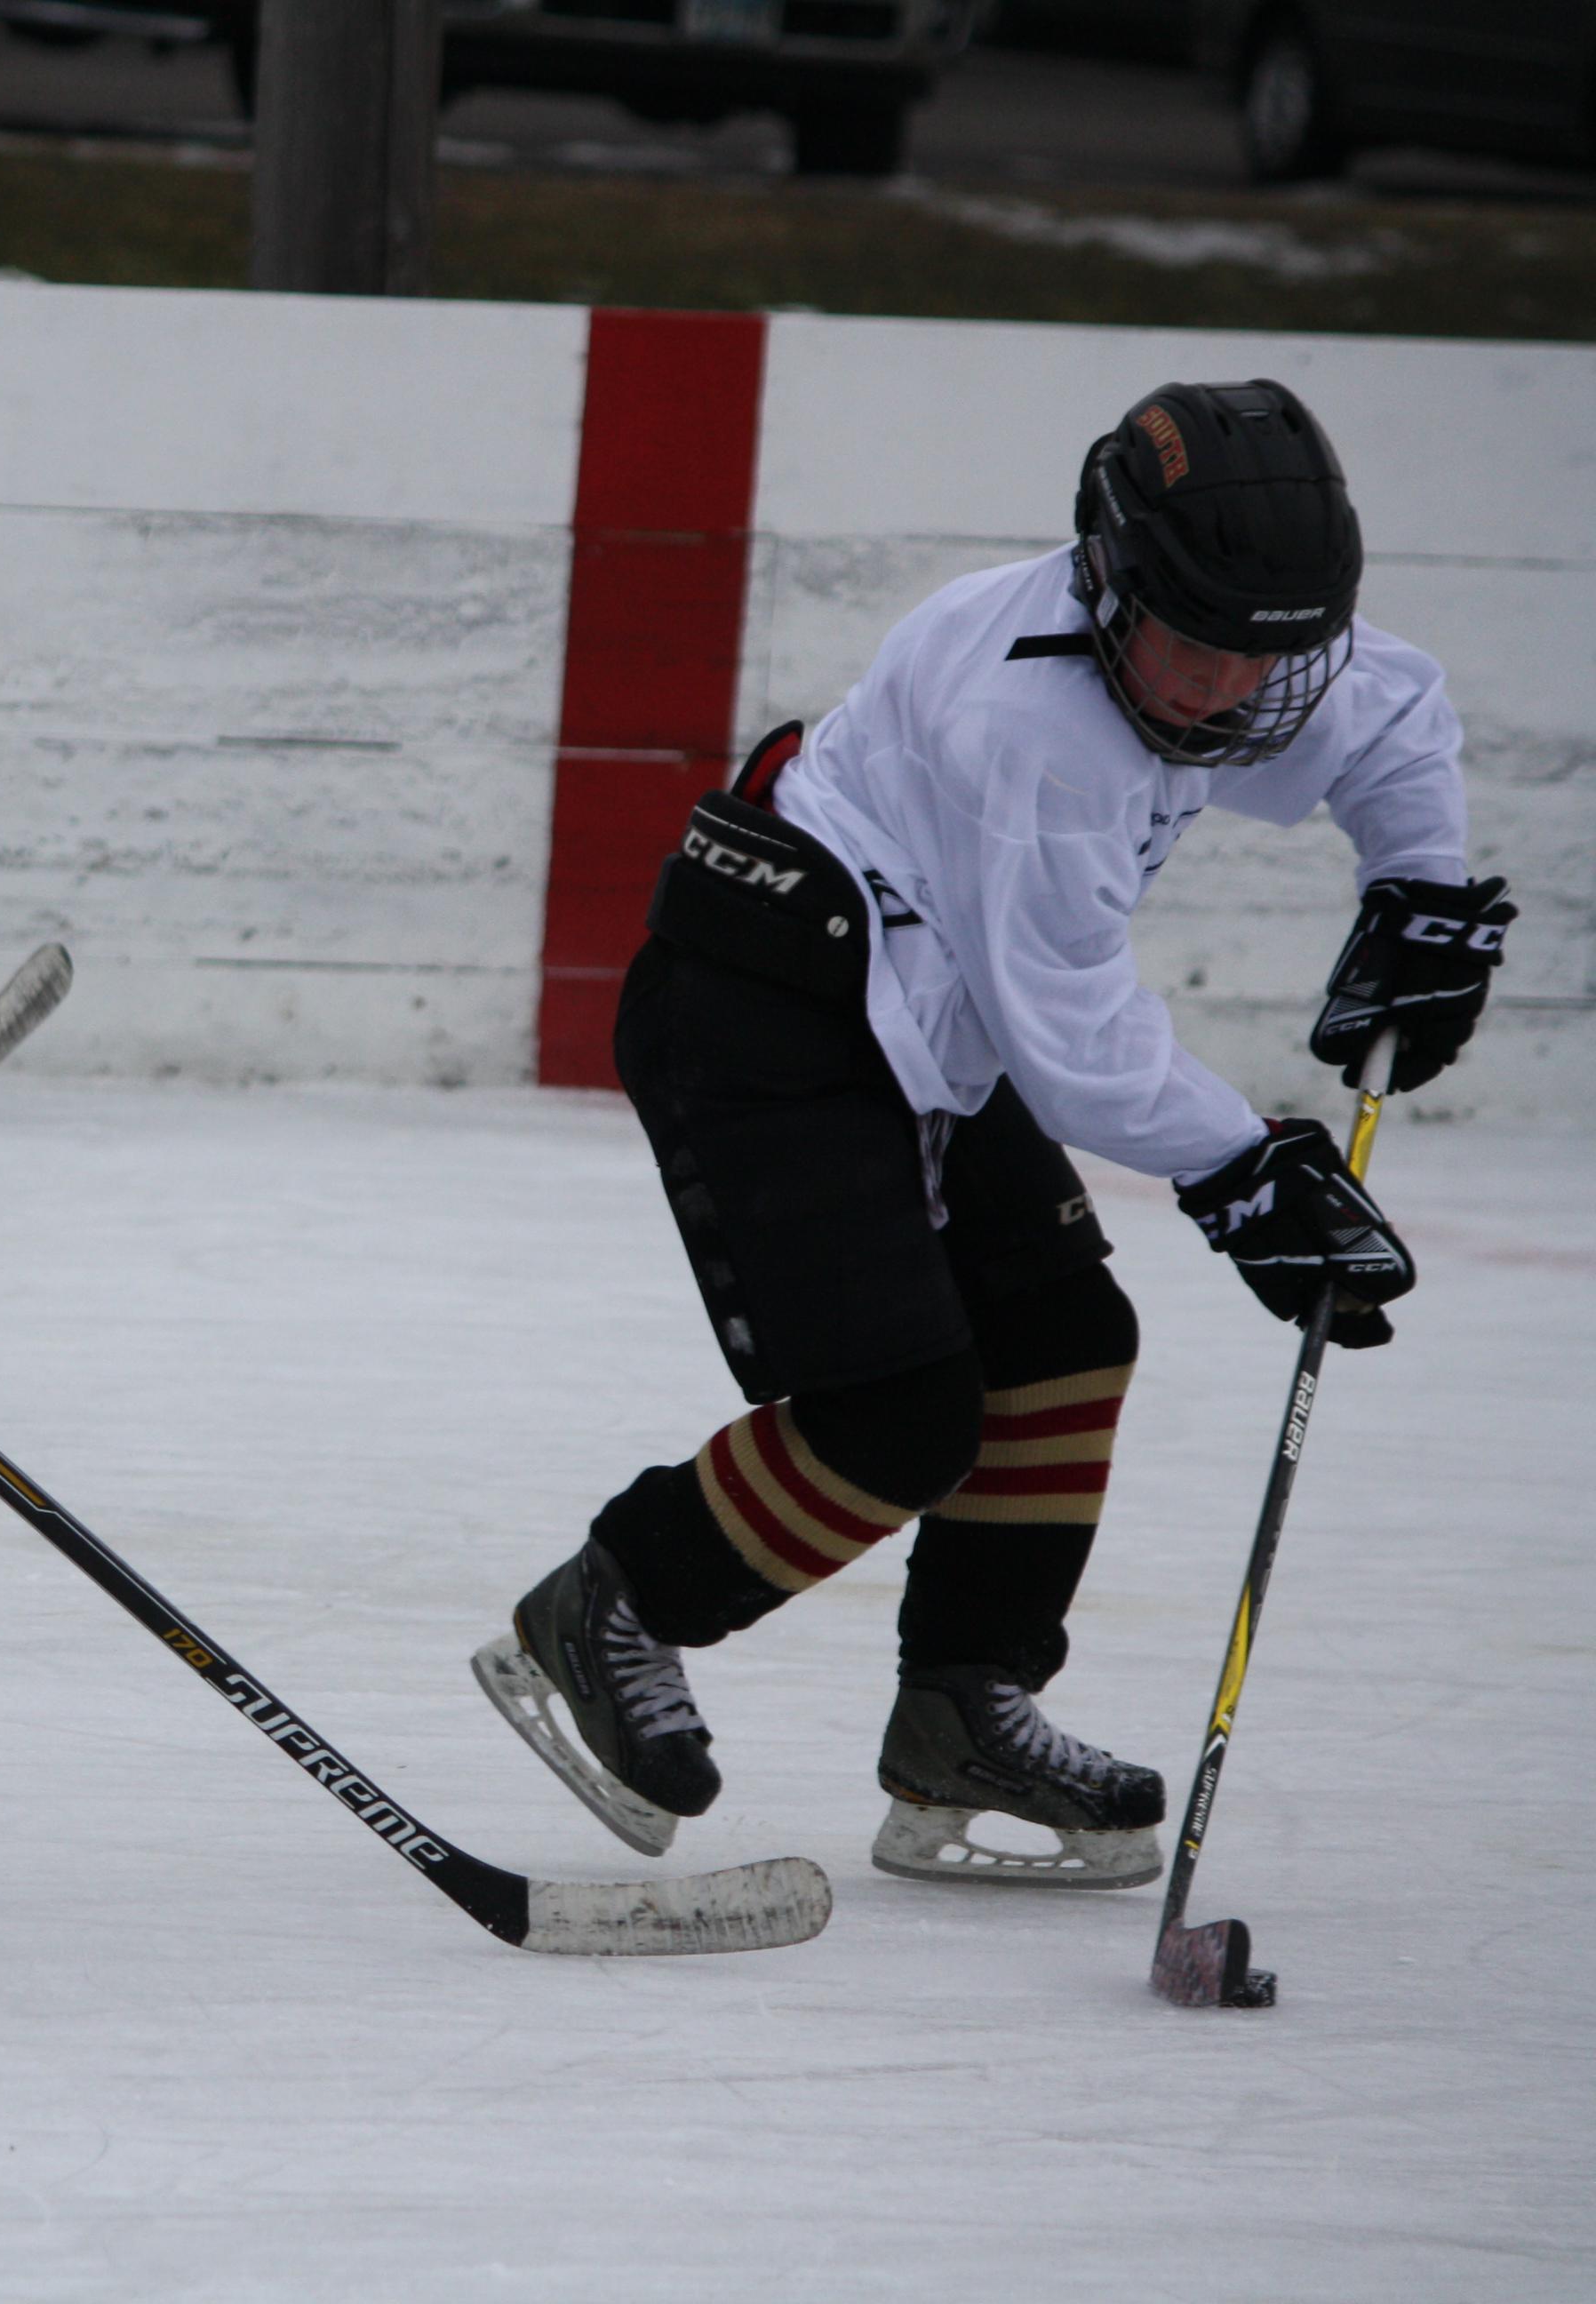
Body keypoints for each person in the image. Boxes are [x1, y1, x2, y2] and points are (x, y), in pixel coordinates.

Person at [473, 380, 1511, 1890]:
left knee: (1066, 1338)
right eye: (1200, 646)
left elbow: (1395, 709)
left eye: (1269, 655)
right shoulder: (1029, 725)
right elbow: (1076, 1041)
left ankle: (964, 1705)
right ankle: (616, 1603)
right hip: (770, 1015)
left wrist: (1419, 890)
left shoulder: (1229, 638)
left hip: (922, 1021)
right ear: (1111, 580)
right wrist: (1249, 1173)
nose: (1232, 690)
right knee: (897, 1415)